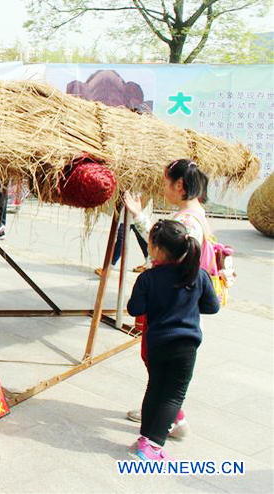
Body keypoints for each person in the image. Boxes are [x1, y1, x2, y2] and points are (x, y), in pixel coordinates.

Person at [122, 158, 214, 431]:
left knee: (156, 360)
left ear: (180, 185)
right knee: (162, 364)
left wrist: (139, 217)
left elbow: (162, 249)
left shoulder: (185, 220)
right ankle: (166, 410)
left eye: (165, 182)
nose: (163, 187)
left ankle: (168, 416)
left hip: (168, 304)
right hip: (181, 304)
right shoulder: (197, 213)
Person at [126, 219, 219, 460]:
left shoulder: (148, 278)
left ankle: (146, 437)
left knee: (155, 389)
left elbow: (134, 309)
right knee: (174, 394)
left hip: (157, 344)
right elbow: (212, 306)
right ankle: (153, 445)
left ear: (156, 249)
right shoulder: (198, 275)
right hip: (185, 347)